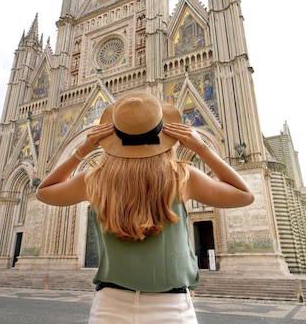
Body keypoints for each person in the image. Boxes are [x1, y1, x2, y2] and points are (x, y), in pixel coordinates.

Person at [36, 91, 255, 323]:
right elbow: (244, 195)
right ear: (162, 134)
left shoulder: (93, 180)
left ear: (113, 138)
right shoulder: (182, 177)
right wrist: (202, 149)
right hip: (170, 309)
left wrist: (81, 151)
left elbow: (44, 191)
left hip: (109, 306)